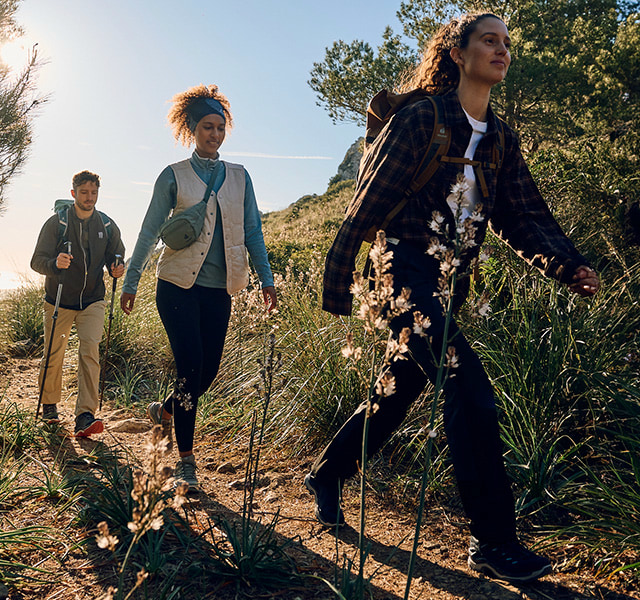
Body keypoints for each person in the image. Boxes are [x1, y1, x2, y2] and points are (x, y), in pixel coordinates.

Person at [304, 13, 600, 584]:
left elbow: (525, 216)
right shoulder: (422, 118)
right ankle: (494, 542)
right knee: (468, 384)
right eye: (489, 40)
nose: (502, 50)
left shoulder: (502, 141)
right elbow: (367, 203)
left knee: (398, 390)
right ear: (458, 54)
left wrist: (568, 265)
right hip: (401, 270)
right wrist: (338, 282)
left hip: (447, 281)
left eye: (507, 43)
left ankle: (328, 473)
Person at [121, 84, 277, 493]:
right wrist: (132, 279)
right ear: (192, 128)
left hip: (219, 289)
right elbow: (149, 229)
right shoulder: (173, 176)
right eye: (208, 127)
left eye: (220, 128)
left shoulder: (240, 178)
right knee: (190, 367)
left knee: (207, 370)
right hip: (176, 287)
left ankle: (166, 410)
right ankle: (187, 461)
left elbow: (253, 231)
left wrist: (267, 278)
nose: (215, 134)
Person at [31, 170, 125, 437]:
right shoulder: (56, 224)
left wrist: (117, 267)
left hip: (93, 300)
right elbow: (36, 261)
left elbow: (116, 254)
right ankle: (49, 407)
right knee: (54, 352)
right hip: (59, 298)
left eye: (93, 192)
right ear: (73, 194)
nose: (89, 198)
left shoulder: (106, 225)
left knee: (89, 352)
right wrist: (54, 263)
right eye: (84, 192)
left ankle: (85, 415)